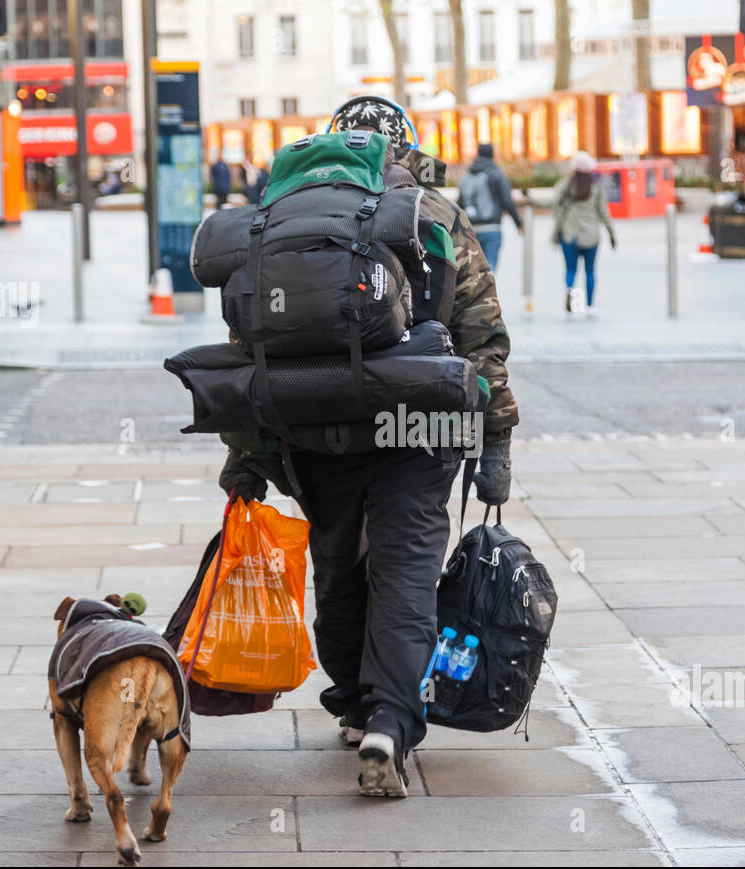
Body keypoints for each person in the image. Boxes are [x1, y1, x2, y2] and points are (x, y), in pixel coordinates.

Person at [217, 95, 518, 797]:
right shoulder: (432, 212)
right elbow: (482, 336)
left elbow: (251, 345)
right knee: (407, 574)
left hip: (316, 426)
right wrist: (495, 442)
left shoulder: (283, 216)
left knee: (339, 569)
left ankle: (354, 701)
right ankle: (390, 718)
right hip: (420, 429)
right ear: (406, 147)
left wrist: (247, 459)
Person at [552, 151, 616, 317]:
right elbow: (604, 213)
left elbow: (555, 205)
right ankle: (589, 306)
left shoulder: (566, 185)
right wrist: (612, 234)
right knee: (589, 270)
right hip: (591, 236)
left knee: (571, 269)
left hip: (569, 235)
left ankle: (571, 296)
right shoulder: (596, 187)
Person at [459, 143, 523, 271]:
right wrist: (519, 223)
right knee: (489, 267)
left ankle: (476, 291)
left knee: (473, 269)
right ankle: (486, 290)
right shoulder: (496, 173)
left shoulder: (468, 175)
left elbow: (461, 202)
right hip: (491, 228)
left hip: (470, 229)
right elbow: (507, 200)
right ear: (492, 154)